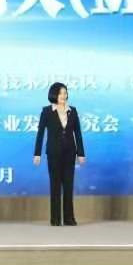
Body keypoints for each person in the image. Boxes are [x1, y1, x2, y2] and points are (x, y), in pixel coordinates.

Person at [33, 82, 86, 226]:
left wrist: (81, 153)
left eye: (65, 92)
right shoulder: (47, 111)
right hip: (53, 153)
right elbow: (40, 133)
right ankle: (55, 219)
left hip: (70, 153)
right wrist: (37, 153)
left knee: (68, 185)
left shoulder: (72, 111)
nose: (64, 95)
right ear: (54, 95)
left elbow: (78, 133)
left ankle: (69, 218)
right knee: (55, 185)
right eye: (61, 93)